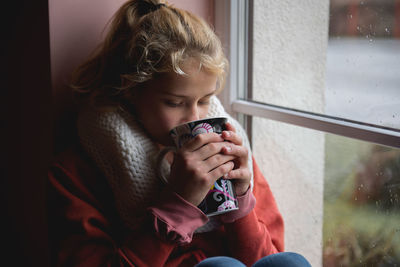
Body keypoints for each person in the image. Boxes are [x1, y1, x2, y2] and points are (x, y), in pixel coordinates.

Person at [47, 0, 311, 266]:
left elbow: (267, 260)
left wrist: (240, 202)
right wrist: (176, 207)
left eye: (205, 99)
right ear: (130, 90)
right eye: (174, 102)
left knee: (291, 262)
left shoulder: (227, 150)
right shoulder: (78, 171)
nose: (195, 118)